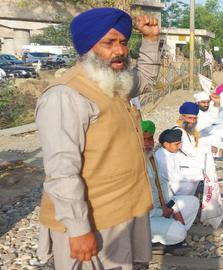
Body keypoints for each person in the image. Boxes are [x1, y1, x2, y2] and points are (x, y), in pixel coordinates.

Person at [35, 8, 160, 269]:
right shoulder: (65, 95)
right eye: (109, 43)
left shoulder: (114, 82)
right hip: (94, 220)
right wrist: (79, 229)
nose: (120, 51)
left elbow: (146, 79)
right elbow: (61, 170)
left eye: (123, 42)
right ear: (88, 47)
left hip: (127, 209)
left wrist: (149, 40)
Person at [148, 127, 199, 249]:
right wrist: (163, 211)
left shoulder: (151, 159)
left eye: (150, 139)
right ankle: (155, 240)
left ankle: (171, 233)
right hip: (144, 218)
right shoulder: (158, 157)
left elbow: (164, 186)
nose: (147, 144)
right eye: (143, 140)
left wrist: (172, 209)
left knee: (193, 202)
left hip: (162, 206)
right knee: (178, 231)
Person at [194, 91, 223, 160]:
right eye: (203, 102)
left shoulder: (203, 111)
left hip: (200, 135)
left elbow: (210, 120)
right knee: (216, 135)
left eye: (208, 102)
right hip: (192, 141)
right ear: (197, 102)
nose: (206, 104)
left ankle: (216, 158)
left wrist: (216, 103)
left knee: (216, 136)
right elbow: (207, 122)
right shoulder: (193, 112)